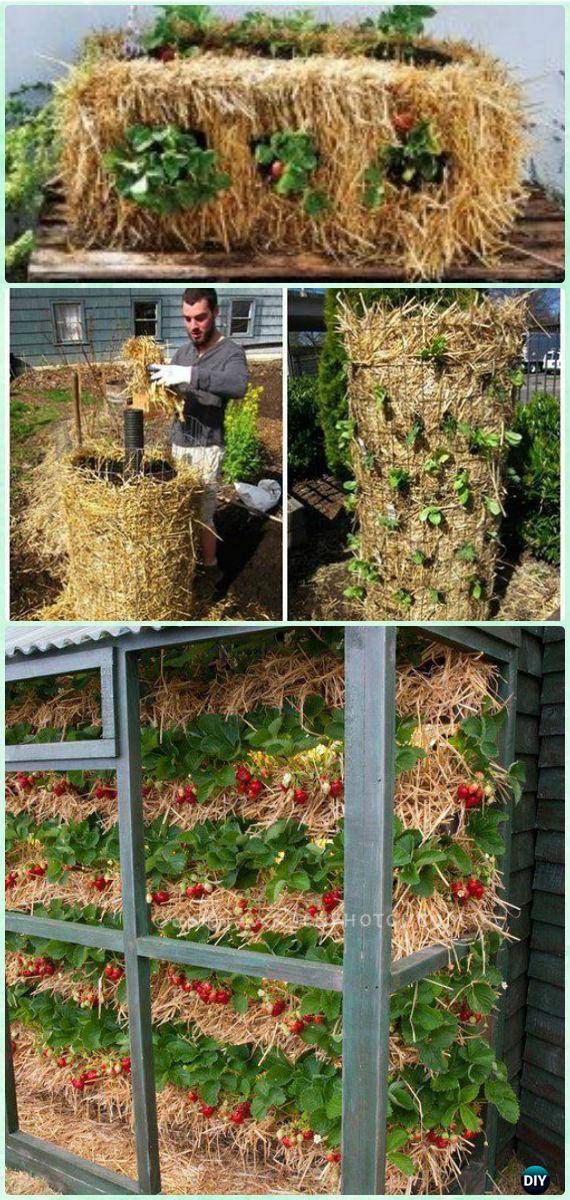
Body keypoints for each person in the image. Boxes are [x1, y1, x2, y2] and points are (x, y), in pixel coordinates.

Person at [150, 287, 249, 576]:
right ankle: (183, 560)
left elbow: (237, 385)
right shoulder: (182, 352)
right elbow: (170, 396)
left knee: (203, 514)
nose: (193, 326)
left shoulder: (231, 352)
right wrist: (158, 383)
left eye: (201, 318)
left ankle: (209, 567)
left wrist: (191, 374)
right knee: (178, 508)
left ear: (216, 313)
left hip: (206, 447)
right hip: (178, 443)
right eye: (187, 318)